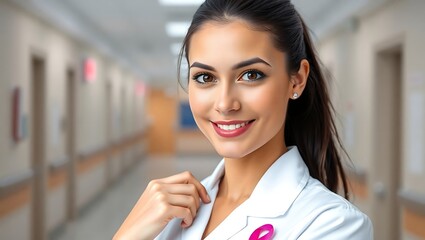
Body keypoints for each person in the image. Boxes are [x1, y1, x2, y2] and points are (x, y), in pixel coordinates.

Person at [114, 0, 373, 239]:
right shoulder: (169, 211)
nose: (225, 104)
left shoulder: (334, 224)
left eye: (251, 75)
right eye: (206, 78)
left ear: (297, 80)